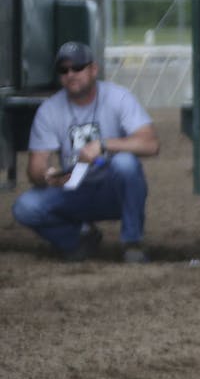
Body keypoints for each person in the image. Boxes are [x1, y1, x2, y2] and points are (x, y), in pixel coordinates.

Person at [13, 42, 160, 263]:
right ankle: (78, 239)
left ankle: (132, 242)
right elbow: (35, 166)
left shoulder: (118, 97)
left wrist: (104, 145)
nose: (71, 74)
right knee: (25, 207)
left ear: (93, 69)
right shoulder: (49, 110)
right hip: (73, 191)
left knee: (126, 164)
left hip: (113, 190)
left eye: (78, 67)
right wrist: (47, 175)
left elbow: (151, 144)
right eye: (64, 70)